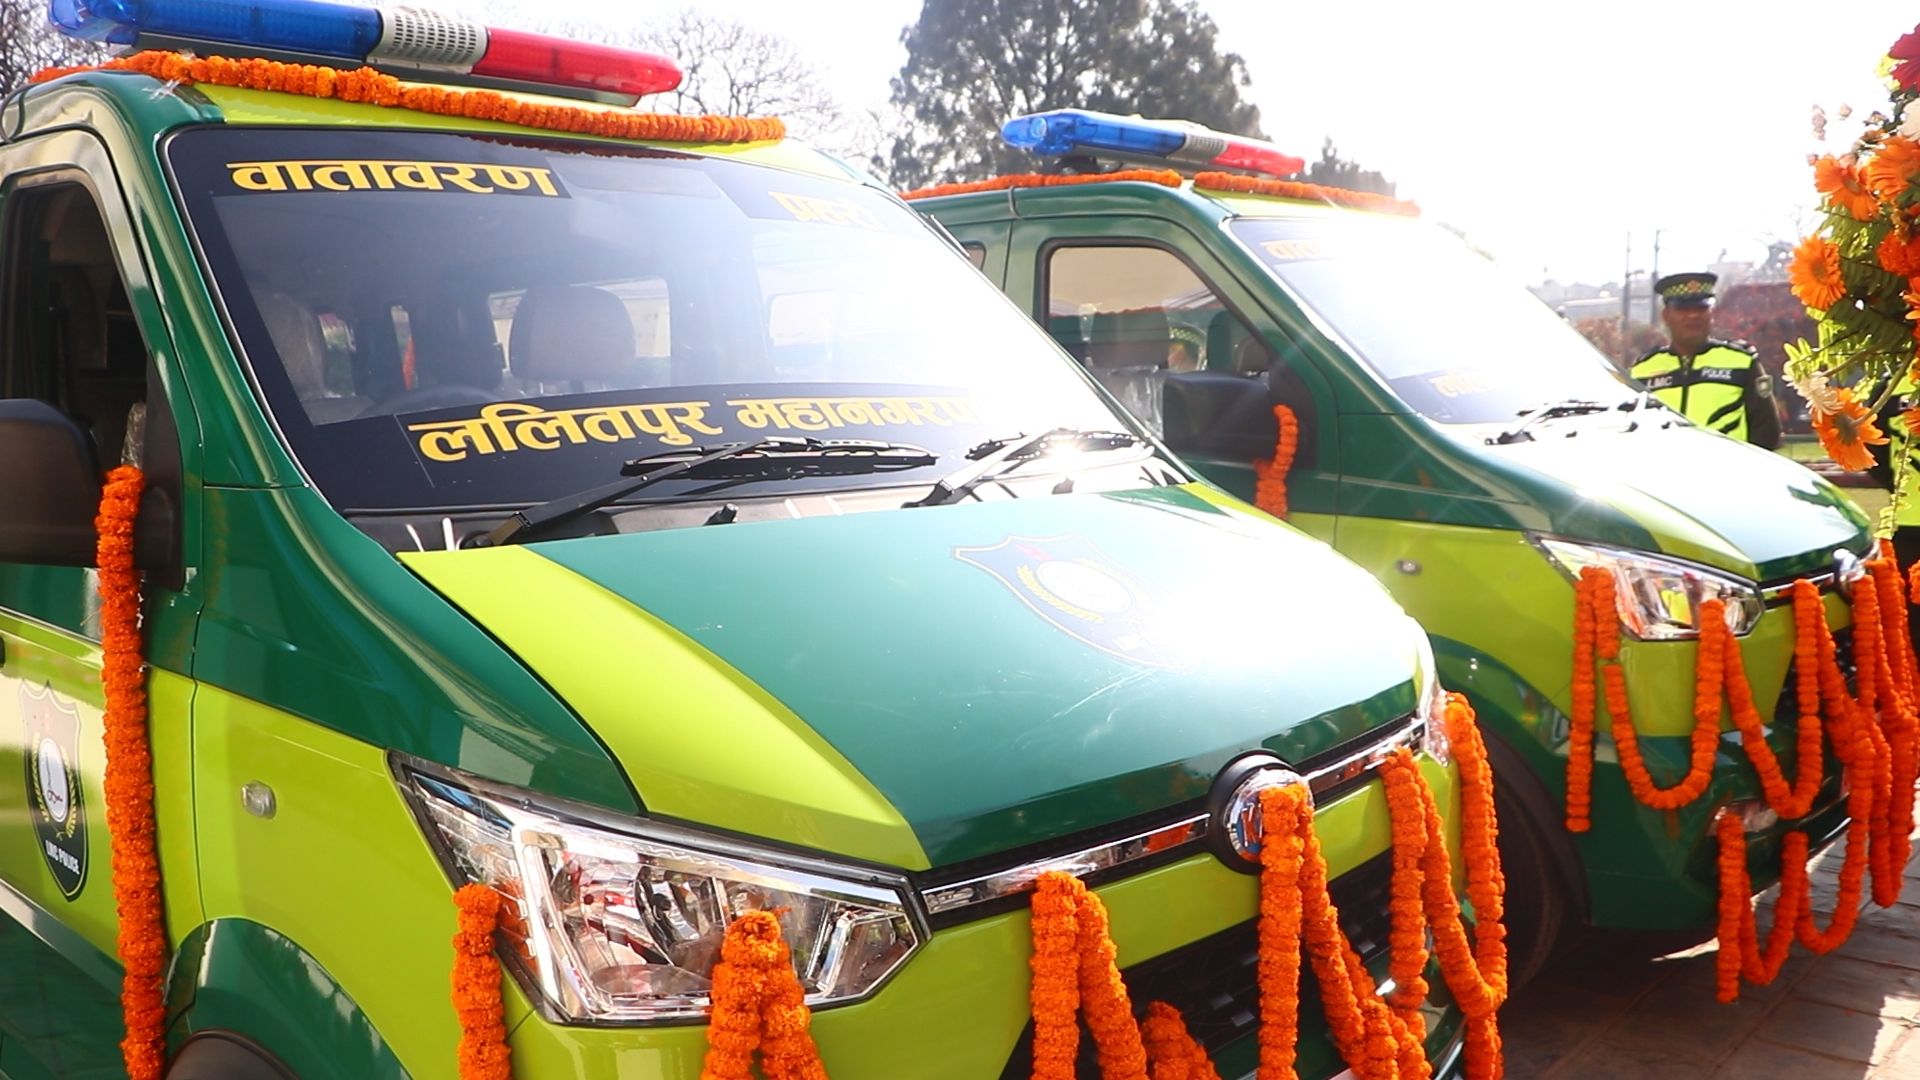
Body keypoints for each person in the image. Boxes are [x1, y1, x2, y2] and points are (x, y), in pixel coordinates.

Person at [1629, 272, 1784, 449]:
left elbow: (1768, 433)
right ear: (1666, 316)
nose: (1693, 316)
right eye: (1683, 309)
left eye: (1701, 308)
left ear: (1712, 313)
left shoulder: (1742, 362)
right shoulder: (1641, 371)